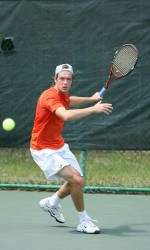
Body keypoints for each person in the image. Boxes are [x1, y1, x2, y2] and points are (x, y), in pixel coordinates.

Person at [30, 64, 113, 234]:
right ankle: (83, 221)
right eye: (61, 78)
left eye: (68, 79)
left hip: (58, 145)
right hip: (43, 149)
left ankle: (52, 203)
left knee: (77, 180)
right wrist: (93, 109)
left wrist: (91, 98)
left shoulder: (63, 95)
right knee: (77, 180)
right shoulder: (49, 97)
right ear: (55, 79)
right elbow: (65, 115)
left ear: (71, 80)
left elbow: (70, 100)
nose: (65, 82)